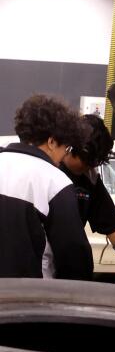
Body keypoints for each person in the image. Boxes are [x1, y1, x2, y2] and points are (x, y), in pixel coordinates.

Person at [0, 93, 93, 280]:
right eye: (65, 149)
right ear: (51, 142)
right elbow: (73, 254)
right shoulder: (54, 181)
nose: (63, 159)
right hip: (29, 297)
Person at [61, 113, 115, 248]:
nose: (90, 166)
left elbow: (114, 229)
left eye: (96, 162)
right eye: (87, 161)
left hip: (67, 261)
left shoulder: (90, 180)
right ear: (70, 146)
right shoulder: (45, 169)